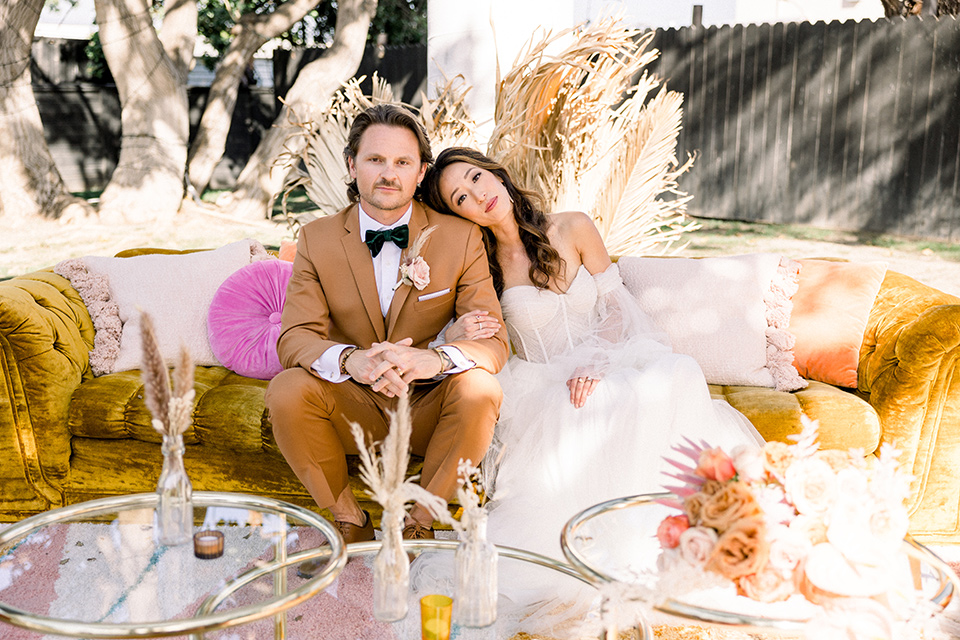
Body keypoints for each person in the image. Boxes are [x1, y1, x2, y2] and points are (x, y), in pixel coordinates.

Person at [421, 147, 764, 561]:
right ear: (462, 217)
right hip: (541, 382)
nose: (477, 195)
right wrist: (456, 332)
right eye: (460, 198)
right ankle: (610, 540)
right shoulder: (481, 266)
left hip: (606, 355)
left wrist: (597, 358)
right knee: (583, 403)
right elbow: (467, 331)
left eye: (475, 178)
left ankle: (685, 521)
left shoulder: (573, 226)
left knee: (678, 372)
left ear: (494, 173)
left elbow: (616, 305)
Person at [265, 107, 510, 575]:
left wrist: (431, 360)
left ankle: (417, 524)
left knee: (482, 389)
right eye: (375, 160)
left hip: (429, 404)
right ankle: (348, 522)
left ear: (421, 172)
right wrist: (352, 360)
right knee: (287, 389)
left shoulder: (460, 237)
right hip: (352, 402)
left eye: (402, 163)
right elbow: (295, 336)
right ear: (352, 165)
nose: (388, 174)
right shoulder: (317, 238)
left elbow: (493, 343)